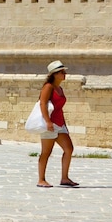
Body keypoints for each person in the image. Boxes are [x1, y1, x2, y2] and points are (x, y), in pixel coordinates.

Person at [37, 60, 78, 188]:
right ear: (54, 74)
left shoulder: (59, 88)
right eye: (61, 72)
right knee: (46, 152)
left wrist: (64, 125)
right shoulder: (48, 87)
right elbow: (42, 104)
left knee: (69, 149)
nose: (64, 74)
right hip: (50, 124)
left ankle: (65, 178)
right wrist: (48, 121)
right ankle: (41, 179)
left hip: (60, 124)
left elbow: (59, 108)